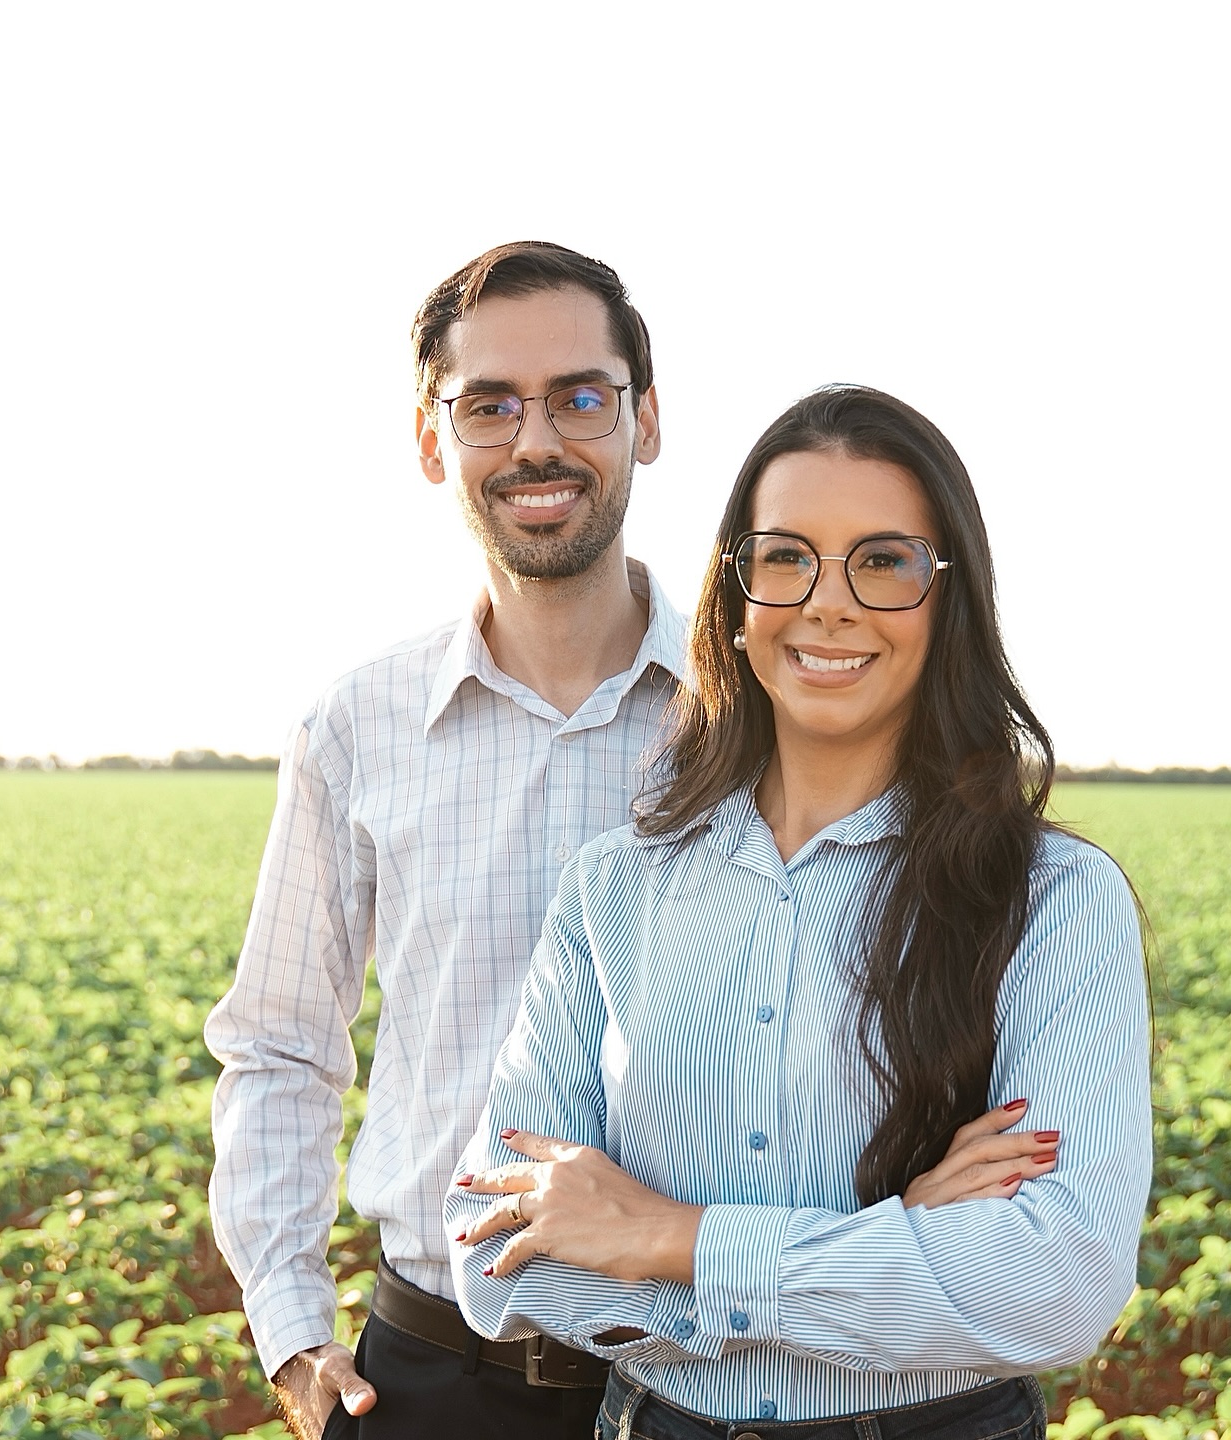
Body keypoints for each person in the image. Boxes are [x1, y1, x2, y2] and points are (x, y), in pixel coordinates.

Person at [447, 386, 1152, 1438]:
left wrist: (673, 1241)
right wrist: (888, 1246)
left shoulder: (1051, 899)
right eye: (785, 557)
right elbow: (494, 1255)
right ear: (734, 596)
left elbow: (1060, 1279)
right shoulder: (615, 887)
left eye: (884, 560)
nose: (830, 602)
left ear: (948, 597)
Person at [203, 241, 688, 1439]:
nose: (537, 442)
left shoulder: (761, 718)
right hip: (429, 1382)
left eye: (582, 396)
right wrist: (290, 1327)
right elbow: (278, 1045)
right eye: (490, 406)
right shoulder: (358, 724)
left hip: (710, 1379)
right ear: (434, 440)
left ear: (647, 421)